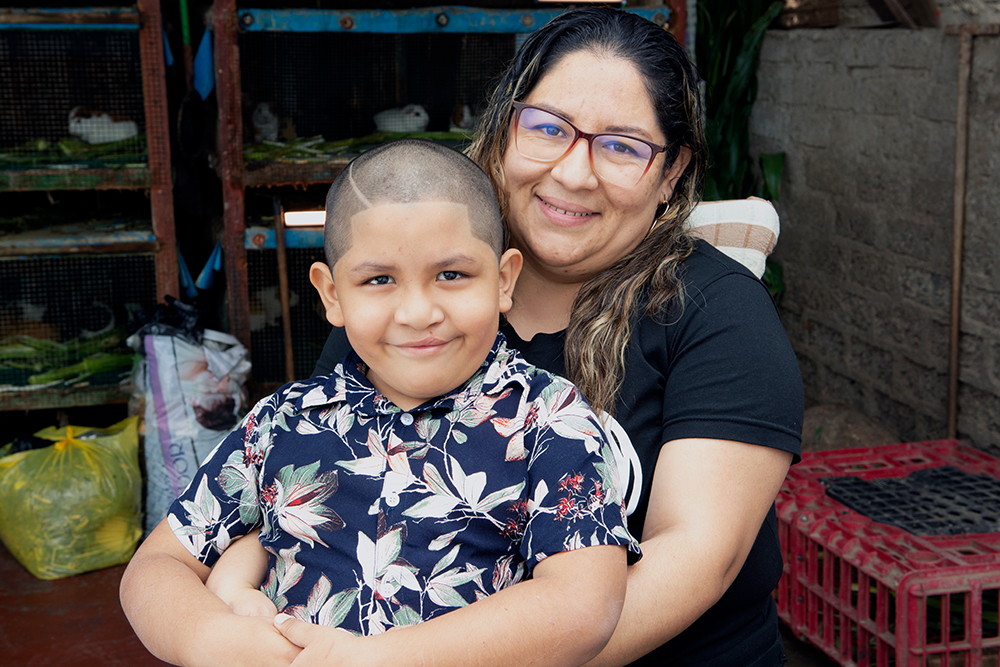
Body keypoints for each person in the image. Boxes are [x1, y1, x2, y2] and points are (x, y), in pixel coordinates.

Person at [312, 8, 804, 667]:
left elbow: (692, 560)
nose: (574, 173)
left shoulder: (718, 316)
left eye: (623, 146)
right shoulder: (414, 304)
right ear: (504, 129)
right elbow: (316, 494)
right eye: (548, 128)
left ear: (670, 173)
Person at [120, 139, 639, 667]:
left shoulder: (548, 419)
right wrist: (217, 640)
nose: (417, 312)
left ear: (504, 280)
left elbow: (583, 604)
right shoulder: (283, 422)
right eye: (379, 280)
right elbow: (157, 566)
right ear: (332, 295)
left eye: (452, 275)